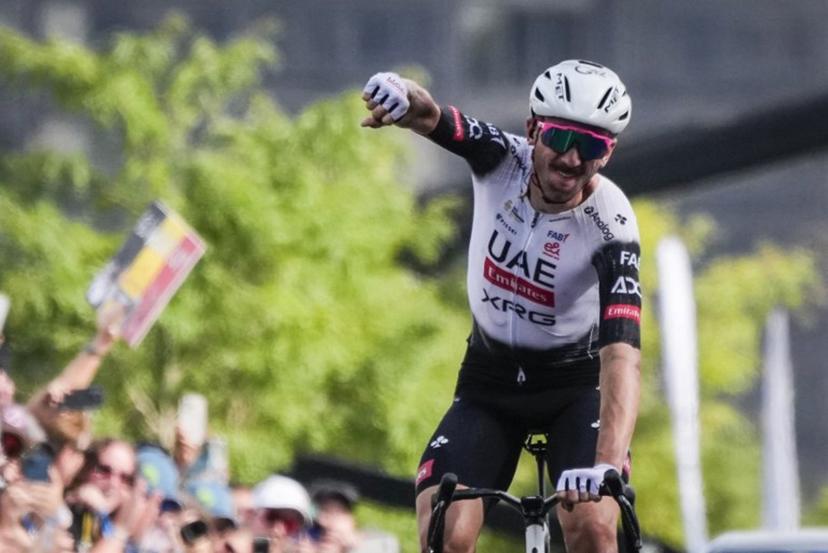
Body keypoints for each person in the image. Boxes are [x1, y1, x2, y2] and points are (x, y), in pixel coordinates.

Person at [361, 61, 641, 553]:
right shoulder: (500, 158)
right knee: (443, 530)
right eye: (561, 139)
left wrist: (606, 463)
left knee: (593, 528)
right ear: (534, 129)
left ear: (609, 152)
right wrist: (398, 93)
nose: (573, 159)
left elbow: (621, 354)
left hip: (573, 390)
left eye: (593, 146)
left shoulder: (612, 224)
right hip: (489, 384)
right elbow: (431, 115)